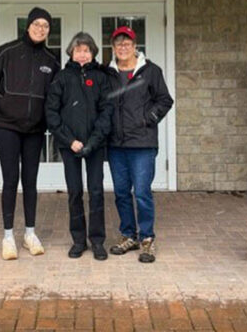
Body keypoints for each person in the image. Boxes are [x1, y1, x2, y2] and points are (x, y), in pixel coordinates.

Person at [0, 7, 60, 260]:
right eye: (36, 24)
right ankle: (8, 236)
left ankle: (30, 234)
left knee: (31, 181)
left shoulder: (51, 60)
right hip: (6, 127)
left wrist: (49, 119)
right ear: (27, 26)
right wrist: (2, 103)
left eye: (45, 26)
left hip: (35, 130)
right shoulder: (8, 51)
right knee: (11, 179)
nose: (40, 29)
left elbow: (56, 96)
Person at [103, 26, 174, 263]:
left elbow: (165, 100)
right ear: (113, 48)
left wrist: (148, 119)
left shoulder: (151, 71)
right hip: (116, 145)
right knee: (122, 193)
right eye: (118, 44)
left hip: (142, 144)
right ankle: (128, 236)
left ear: (135, 46)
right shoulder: (108, 73)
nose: (123, 48)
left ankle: (146, 238)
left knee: (142, 193)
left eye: (127, 43)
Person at [45, 32, 113, 261]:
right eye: (78, 50)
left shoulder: (101, 78)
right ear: (71, 53)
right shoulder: (62, 77)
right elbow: (51, 113)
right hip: (69, 145)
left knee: (95, 192)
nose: (82, 54)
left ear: (92, 52)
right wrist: (70, 141)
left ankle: (97, 241)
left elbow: (107, 111)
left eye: (86, 50)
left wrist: (93, 141)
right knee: (74, 192)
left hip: (95, 145)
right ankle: (78, 240)